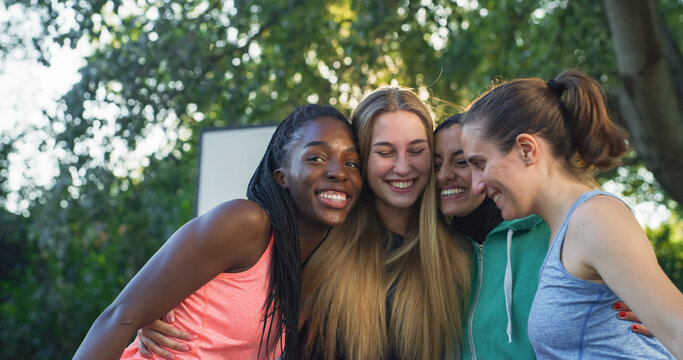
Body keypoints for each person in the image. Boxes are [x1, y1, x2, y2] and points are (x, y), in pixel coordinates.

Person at [73, 104, 363, 360]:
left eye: (351, 162)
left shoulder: (323, 267)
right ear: (281, 176)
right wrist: (143, 319)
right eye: (316, 158)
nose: (339, 171)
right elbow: (118, 317)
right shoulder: (246, 223)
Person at [459, 69, 683, 358]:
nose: (476, 186)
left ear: (526, 149)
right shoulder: (562, 230)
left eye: (480, 163)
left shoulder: (595, 219)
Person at [435, 113, 650, 360]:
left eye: (463, 162)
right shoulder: (435, 249)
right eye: (436, 165)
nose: (444, 175)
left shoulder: (558, 231)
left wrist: (653, 316)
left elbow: (659, 313)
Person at [298, 87, 471, 359]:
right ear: (362, 158)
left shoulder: (460, 256)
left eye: (416, 151)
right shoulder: (322, 249)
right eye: (385, 152)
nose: (403, 167)